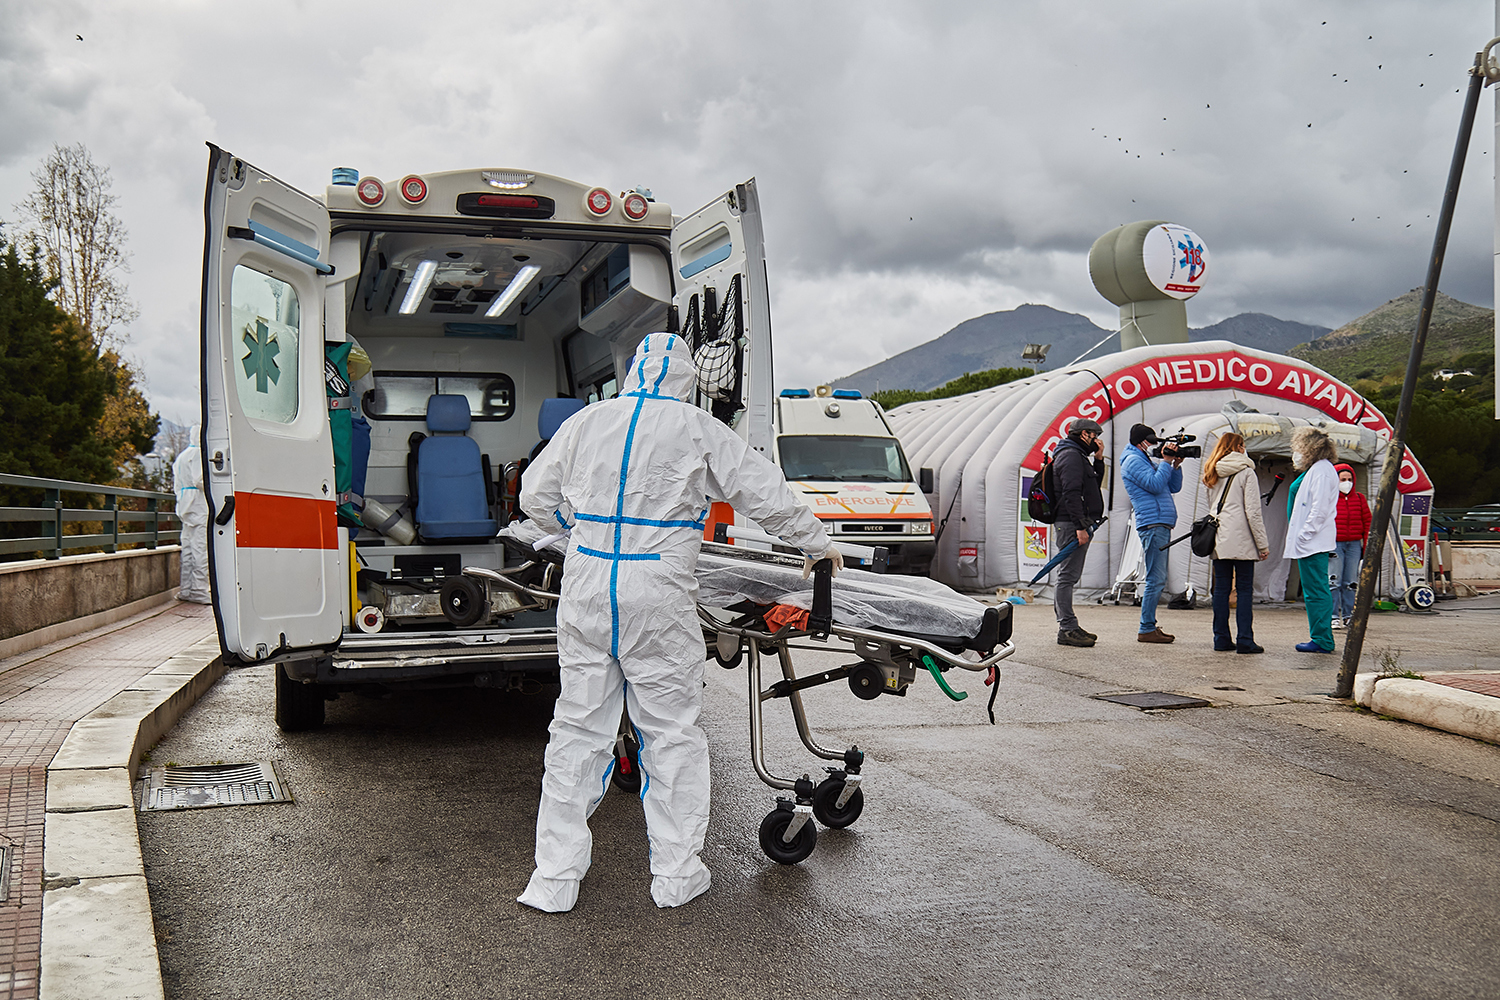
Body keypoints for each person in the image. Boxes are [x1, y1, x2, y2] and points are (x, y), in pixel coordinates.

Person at [516, 332, 840, 913]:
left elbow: (534, 496)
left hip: (588, 591)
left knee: (576, 735)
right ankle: (675, 875)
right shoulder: (698, 429)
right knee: (670, 735)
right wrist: (816, 544)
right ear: (687, 379)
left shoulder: (588, 421)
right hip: (656, 597)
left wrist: (576, 534)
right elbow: (764, 494)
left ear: (634, 371)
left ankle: (554, 881)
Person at [1201, 433, 1268, 654]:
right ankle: (1245, 640)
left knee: (1220, 589)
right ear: (1239, 447)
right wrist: (1262, 544)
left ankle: (1221, 639)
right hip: (1242, 538)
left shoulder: (1212, 470)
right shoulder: (1247, 471)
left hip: (1219, 536)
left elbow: (1212, 506)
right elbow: (1253, 512)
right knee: (1244, 590)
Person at [1120, 423, 1184, 643]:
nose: (1153, 445)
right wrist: (1165, 462)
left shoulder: (1143, 459)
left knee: (1157, 577)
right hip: (1152, 522)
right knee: (1156, 578)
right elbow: (1156, 485)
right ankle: (1146, 627)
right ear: (1141, 442)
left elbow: (1172, 487)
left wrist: (1175, 466)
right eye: (1151, 441)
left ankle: (1148, 626)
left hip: (1159, 522)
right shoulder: (1133, 461)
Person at [1282, 426, 1340, 653]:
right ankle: (1319, 637)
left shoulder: (1322, 471)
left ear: (1309, 449)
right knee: (1313, 590)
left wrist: (1305, 534)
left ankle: (1323, 640)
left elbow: (1320, 508)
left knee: (1317, 590)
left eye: (1298, 448)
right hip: (1308, 541)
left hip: (1313, 541)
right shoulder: (1315, 470)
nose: (1296, 453)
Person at [1050, 418, 1105, 647]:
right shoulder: (1071, 456)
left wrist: (1098, 459)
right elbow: (1071, 493)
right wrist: (1081, 527)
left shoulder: (1077, 455)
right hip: (1072, 524)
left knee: (1068, 575)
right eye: (1095, 435)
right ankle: (1067, 628)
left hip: (1076, 523)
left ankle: (1069, 624)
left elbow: (1091, 487)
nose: (1097, 440)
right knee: (1067, 577)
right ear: (1084, 434)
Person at [171, 426, 211, 603]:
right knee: (200, 548)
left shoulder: (182, 456)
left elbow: (177, 486)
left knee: (187, 548)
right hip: (199, 505)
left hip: (184, 505)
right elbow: (199, 479)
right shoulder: (198, 455)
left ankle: (186, 589)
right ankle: (199, 590)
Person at [1331, 463, 1371, 629]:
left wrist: (1367, 545)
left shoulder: (1360, 499)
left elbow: (1367, 521)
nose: (1347, 482)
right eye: (1343, 479)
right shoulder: (1329, 498)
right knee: (1333, 580)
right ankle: (1333, 616)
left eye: (1349, 479)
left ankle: (1348, 616)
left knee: (1351, 582)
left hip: (1354, 544)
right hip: (1334, 544)